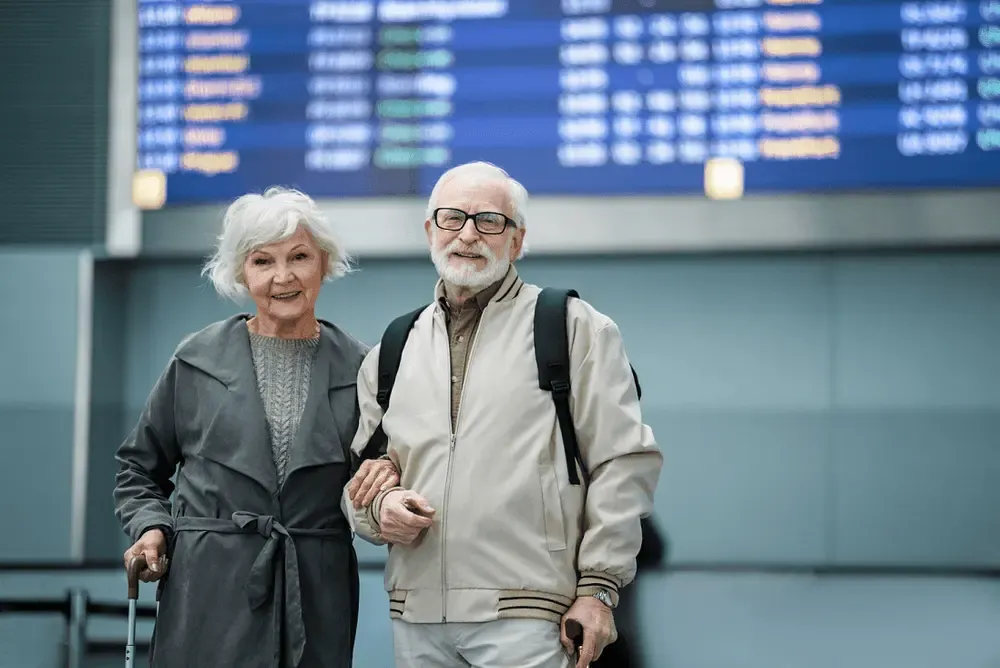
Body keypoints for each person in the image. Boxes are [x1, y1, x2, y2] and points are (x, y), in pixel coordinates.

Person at [344, 162, 663, 668]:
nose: (468, 234)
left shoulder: (574, 329)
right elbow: (359, 481)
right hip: (416, 618)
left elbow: (623, 463)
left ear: (516, 241)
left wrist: (599, 589)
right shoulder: (392, 349)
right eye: (452, 218)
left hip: (532, 616)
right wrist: (376, 510)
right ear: (430, 231)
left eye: (490, 221)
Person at [113, 186, 398, 668]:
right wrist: (151, 526)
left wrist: (389, 474)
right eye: (263, 261)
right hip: (207, 590)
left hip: (314, 591)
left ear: (324, 264)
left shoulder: (363, 369)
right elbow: (138, 470)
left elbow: (383, 473)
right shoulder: (196, 360)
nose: (282, 277)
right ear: (241, 274)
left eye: (300, 257)